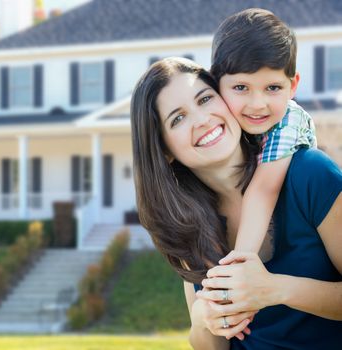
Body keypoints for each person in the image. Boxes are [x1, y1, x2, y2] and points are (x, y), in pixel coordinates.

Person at [130, 56, 342, 349]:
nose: (202, 120)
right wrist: (204, 318)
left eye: (205, 99)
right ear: (164, 150)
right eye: (178, 119)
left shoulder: (310, 174)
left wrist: (275, 290)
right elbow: (211, 343)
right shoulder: (186, 223)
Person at [211, 8, 317, 256]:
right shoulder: (224, 123)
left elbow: (264, 190)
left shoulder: (289, 120)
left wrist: (241, 261)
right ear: (216, 84)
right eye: (240, 87)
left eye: (272, 87)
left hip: (302, 235)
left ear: (292, 86)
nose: (258, 104)